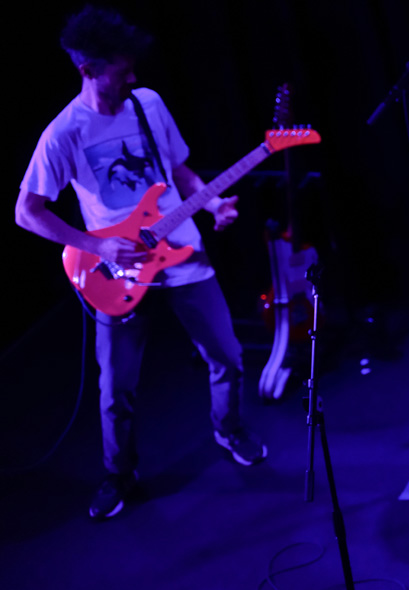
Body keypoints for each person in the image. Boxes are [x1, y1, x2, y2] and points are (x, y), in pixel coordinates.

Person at [15, 6, 267, 520]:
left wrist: (213, 202)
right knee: (117, 389)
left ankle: (228, 428)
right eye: (120, 69)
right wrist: (95, 245)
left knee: (229, 356)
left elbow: (178, 170)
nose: (132, 76)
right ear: (87, 68)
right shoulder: (64, 133)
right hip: (116, 272)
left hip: (184, 254)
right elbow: (26, 212)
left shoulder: (148, 103)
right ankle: (120, 472)